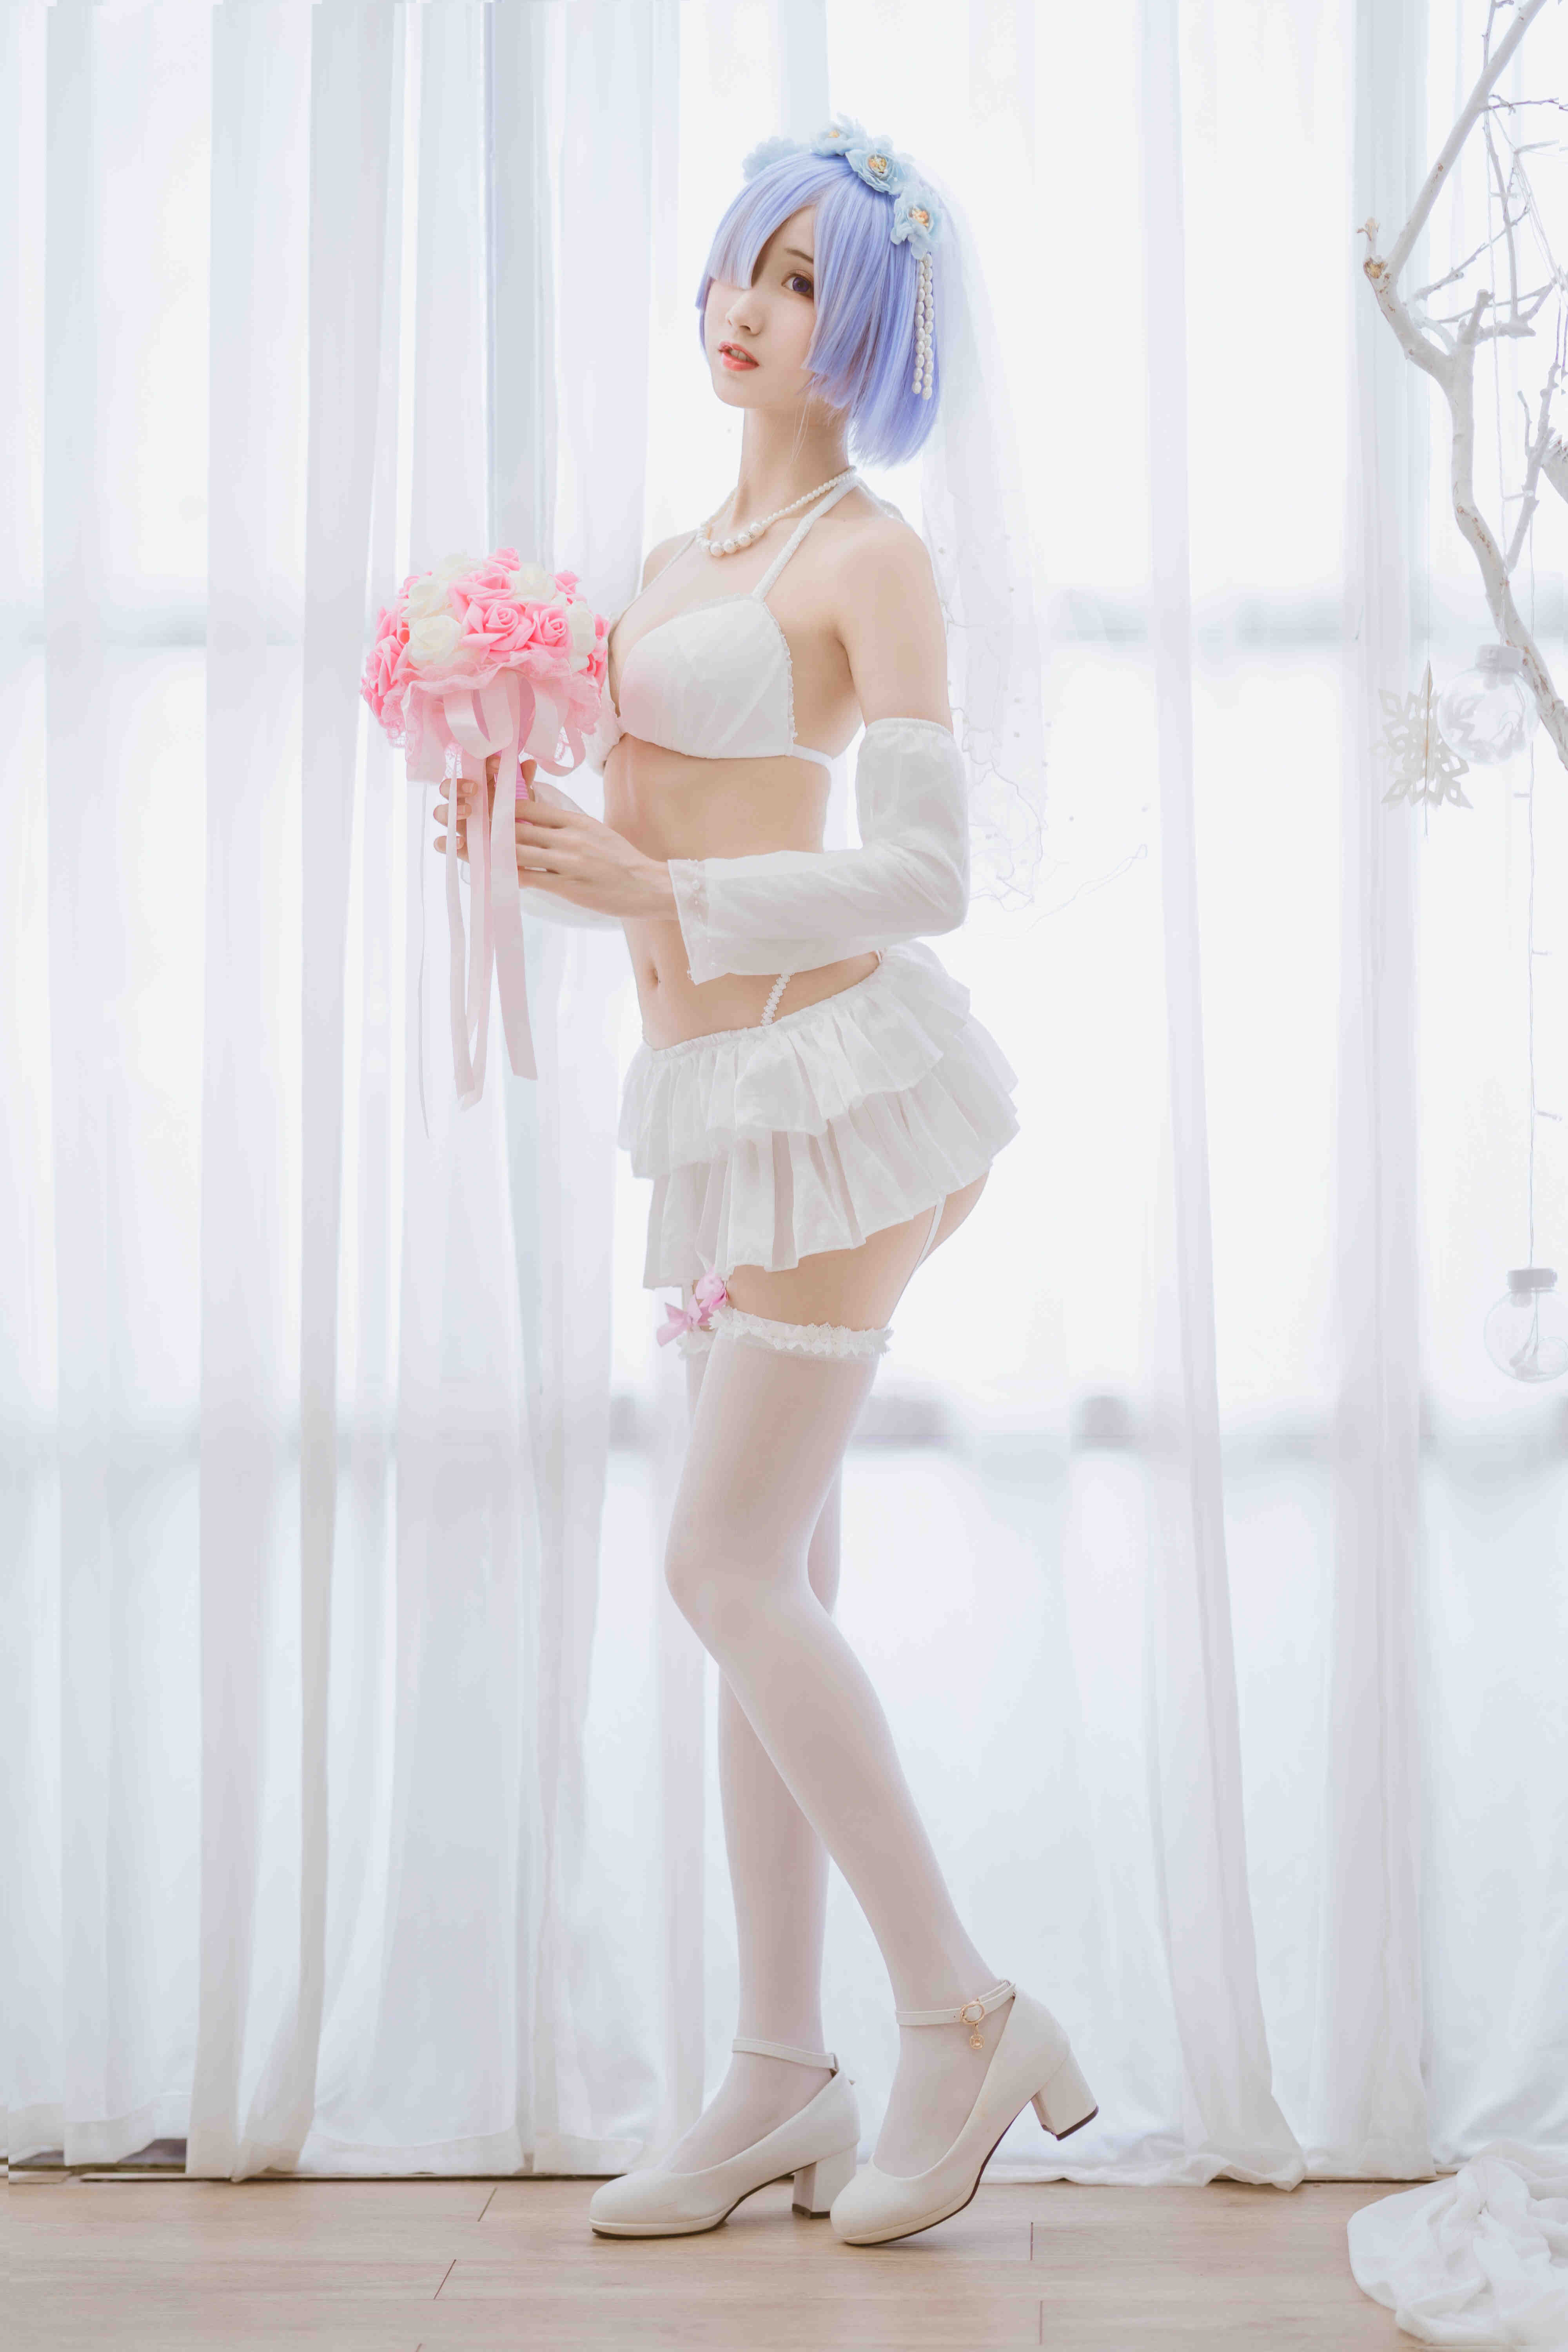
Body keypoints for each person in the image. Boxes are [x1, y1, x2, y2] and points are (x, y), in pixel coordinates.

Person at [433, 119, 1094, 2248]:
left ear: (871, 331)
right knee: (765, 1591)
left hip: (839, 1095)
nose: (752, 306)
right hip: (717, 1111)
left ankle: (964, 2013)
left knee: (720, 1566)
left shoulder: (866, 556)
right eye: (747, 264)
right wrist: (517, 832)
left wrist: (661, 887)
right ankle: (778, 2078)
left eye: (807, 283)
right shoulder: (671, 558)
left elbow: (927, 874)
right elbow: (640, 859)